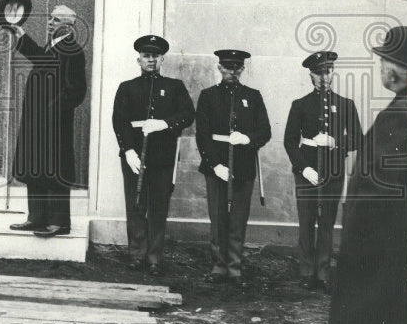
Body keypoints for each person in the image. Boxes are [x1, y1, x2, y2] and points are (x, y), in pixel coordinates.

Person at [329, 26, 407, 324]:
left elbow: (381, 195)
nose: (381, 67)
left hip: (392, 261)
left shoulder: (401, 116)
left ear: (397, 67)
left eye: (384, 59)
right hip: (403, 259)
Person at [111, 35, 195, 275]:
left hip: (162, 155)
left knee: (159, 206)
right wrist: (127, 150)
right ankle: (136, 254)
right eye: (146, 56)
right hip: (134, 154)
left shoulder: (174, 87)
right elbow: (119, 120)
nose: (151, 60)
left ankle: (155, 257)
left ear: (162, 59)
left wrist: (164, 124)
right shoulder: (127, 87)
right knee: (136, 204)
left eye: (155, 56)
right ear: (138, 59)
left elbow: (188, 114)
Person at [5, 5, 87, 237]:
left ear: (69, 26)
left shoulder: (72, 50)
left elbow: (76, 91)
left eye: (56, 19)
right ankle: (37, 218)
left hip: (54, 124)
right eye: (50, 17)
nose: (50, 21)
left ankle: (59, 222)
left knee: (55, 169)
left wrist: (52, 111)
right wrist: (21, 34)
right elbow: (42, 60)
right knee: (36, 166)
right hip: (38, 120)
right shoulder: (55, 46)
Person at [283, 51, 361, 290]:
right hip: (307, 173)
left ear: (333, 72)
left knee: (326, 223)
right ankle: (306, 272)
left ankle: (323, 273)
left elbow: (358, 139)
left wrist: (335, 142)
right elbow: (289, 141)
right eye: (319, 72)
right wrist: (303, 168)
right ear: (311, 75)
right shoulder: (300, 105)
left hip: (333, 172)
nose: (324, 77)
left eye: (327, 71)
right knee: (306, 222)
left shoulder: (346, 105)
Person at [195, 49, 271, 284]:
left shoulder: (253, 96)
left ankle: (235, 266)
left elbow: (265, 131)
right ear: (219, 68)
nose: (232, 72)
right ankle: (219, 265)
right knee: (217, 217)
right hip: (216, 163)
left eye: (236, 67)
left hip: (243, 164)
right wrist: (214, 164)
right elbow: (202, 134)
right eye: (227, 67)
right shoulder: (208, 96)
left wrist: (248, 139)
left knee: (238, 218)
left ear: (242, 69)